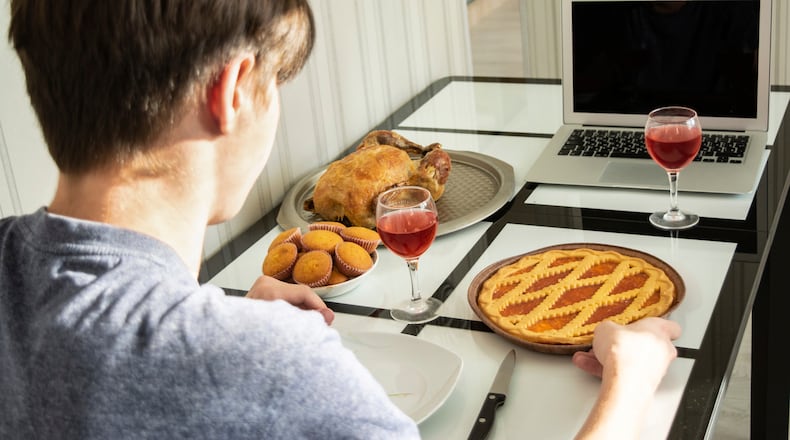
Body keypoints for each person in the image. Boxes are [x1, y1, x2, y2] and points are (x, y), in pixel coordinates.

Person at [0, 1, 681, 439]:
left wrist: (211, 312)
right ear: (232, 93)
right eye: (277, 89)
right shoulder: (270, 362)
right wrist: (630, 387)